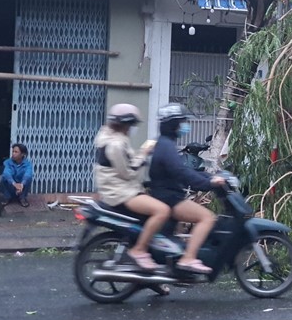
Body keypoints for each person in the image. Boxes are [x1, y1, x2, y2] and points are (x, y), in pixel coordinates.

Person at [148, 103, 225, 275]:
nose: (185, 125)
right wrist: (208, 184)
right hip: (170, 199)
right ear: (173, 124)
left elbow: (185, 170)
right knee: (207, 218)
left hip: (166, 195)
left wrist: (209, 177)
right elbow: (181, 173)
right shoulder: (166, 147)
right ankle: (188, 258)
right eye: (182, 122)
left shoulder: (165, 144)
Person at [94, 103, 170, 271]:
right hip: (122, 193)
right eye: (132, 124)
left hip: (121, 189)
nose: (133, 128)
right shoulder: (115, 145)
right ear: (126, 124)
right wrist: (143, 154)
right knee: (162, 210)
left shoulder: (111, 137)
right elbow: (127, 173)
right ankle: (139, 250)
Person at [1, 143, 33, 207]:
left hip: (21, 187)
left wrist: (21, 185)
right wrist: (14, 184)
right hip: (11, 185)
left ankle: (22, 197)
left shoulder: (27, 164)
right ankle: (7, 197)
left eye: (16, 152)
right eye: (13, 151)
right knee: (3, 177)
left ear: (22, 154)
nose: (13, 154)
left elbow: (28, 174)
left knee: (29, 178)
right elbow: (6, 173)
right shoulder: (7, 162)